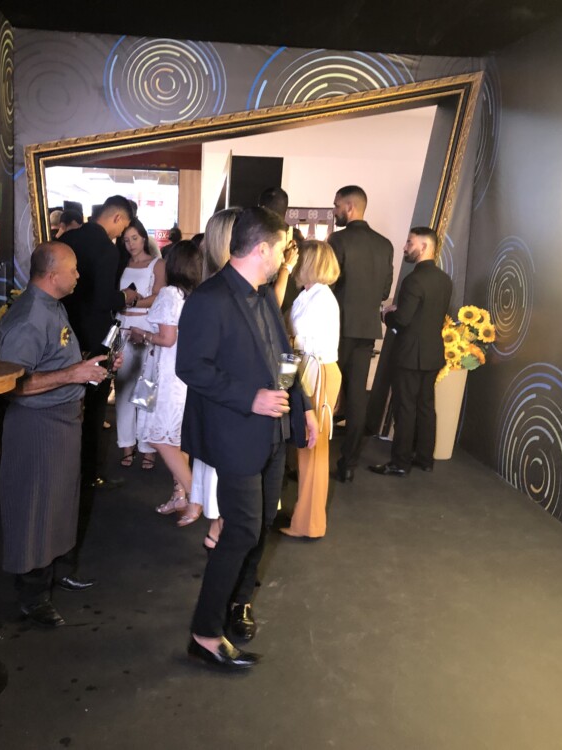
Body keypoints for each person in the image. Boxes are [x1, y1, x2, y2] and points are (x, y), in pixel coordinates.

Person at [177, 206, 318, 671]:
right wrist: (249, 397)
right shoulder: (209, 298)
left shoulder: (263, 296)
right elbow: (190, 367)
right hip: (235, 432)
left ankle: (238, 604)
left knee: (259, 525)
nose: (285, 257)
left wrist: (304, 407)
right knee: (240, 529)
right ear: (261, 249)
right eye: (281, 249)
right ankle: (204, 633)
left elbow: (284, 360)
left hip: (273, 432)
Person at [0, 242, 118, 627]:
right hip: (38, 426)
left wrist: (86, 365)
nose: (79, 275)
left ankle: (57, 572)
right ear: (52, 276)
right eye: (73, 269)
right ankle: (33, 598)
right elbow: (12, 385)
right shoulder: (30, 317)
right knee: (35, 509)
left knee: (61, 504)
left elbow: (54, 360)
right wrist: (72, 374)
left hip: (62, 421)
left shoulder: (53, 305)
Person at [61, 195, 138, 488]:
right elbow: (104, 299)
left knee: (66, 405)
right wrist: (126, 297)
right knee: (94, 410)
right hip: (94, 338)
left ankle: (66, 469)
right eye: (123, 227)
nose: (121, 234)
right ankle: (89, 473)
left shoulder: (69, 239)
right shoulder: (107, 249)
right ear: (117, 218)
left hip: (64, 332)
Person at [128, 240, 203, 526]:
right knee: (174, 439)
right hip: (179, 374)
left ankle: (195, 496)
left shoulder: (171, 293)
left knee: (159, 437)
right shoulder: (195, 294)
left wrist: (142, 335)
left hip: (166, 374)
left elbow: (167, 338)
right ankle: (179, 495)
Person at [369, 227, 452, 477]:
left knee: (405, 407)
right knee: (426, 406)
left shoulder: (413, 280)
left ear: (424, 247)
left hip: (409, 355)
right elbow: (427, 316)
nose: (405, 247)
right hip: (433, 353)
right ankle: (425, 459)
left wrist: (387, 315)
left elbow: (403, 320)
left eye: (409, 243)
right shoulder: (445, 280)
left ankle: (400, 462)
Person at [328, 185, 394, 482]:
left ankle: (313, 458)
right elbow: (384, 291)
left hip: (337, 329)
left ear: (349, 207)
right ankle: (349, 464)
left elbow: (328, 283)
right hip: (366, 330)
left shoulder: (338, 240)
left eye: (336, 205)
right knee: (357, 399)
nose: (335, 211)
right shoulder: (385, 245)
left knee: (325, 393)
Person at [282, 240, 342, 539]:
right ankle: (304, 518)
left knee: (313, 448)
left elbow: (302, 339)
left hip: (317, 372)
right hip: (308, 369)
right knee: (306, 448)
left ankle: (309, 524)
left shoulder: (322, 298)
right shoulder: (310, 294)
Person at [191, 208, 241, 550]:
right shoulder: (213, 295)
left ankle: (219, 529)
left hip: (229, 401)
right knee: (224, 474)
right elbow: (198, 364)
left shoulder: (226, 289)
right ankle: (219, 531)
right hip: (225, 402)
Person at [115, 219, 165, 470]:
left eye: (134, 238)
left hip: (146, 325)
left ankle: (147, 447)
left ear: (144, 238)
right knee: (123, 387)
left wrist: (131, 301)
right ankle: (126, 444)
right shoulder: (121, 264)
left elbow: (159, 296)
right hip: (123, 324)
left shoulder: (157, 264)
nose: (131, 244)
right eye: (126, 240)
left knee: (146, 389)